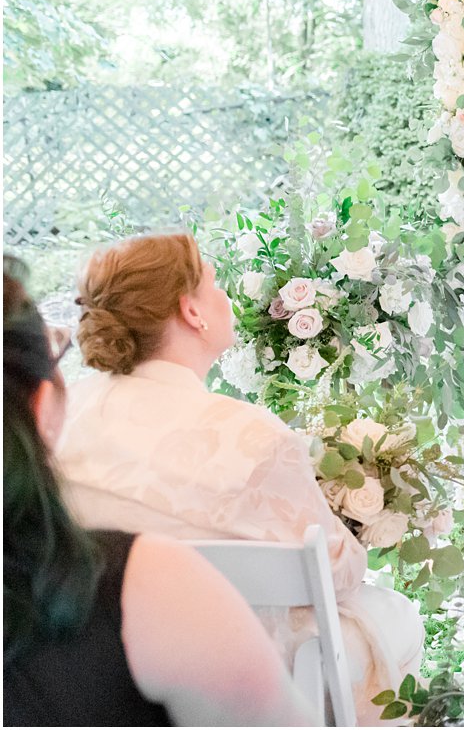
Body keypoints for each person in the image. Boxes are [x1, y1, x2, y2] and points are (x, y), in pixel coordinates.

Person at [52, 233, 423, 726]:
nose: (225, 296)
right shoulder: (251, 435)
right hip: (242, 668)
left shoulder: (60, 416)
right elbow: (335, 571)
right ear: (191, 312)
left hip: (86, 651)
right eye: (214, 284)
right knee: (399, 617)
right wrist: (353, 522)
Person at [3, 256, 316, 727]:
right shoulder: (143, 582)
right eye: (216, 284)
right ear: (43, 407)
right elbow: (332, 567)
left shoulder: (88, 408)